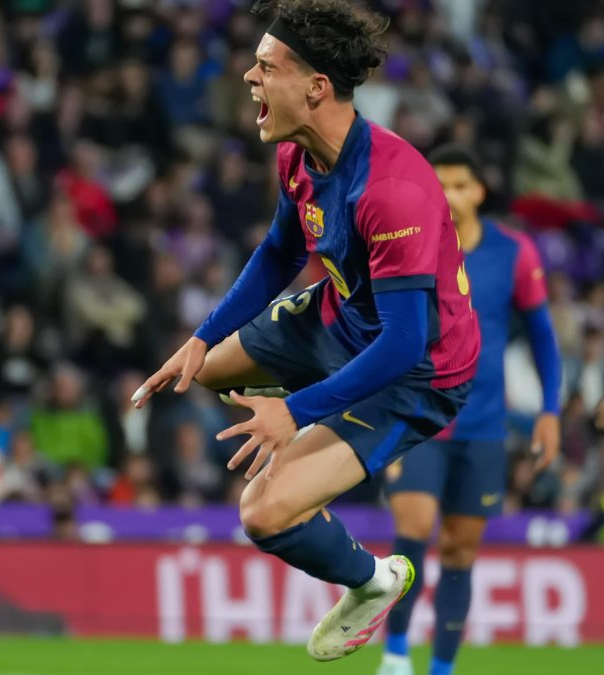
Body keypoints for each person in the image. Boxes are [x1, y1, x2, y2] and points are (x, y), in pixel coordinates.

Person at [132, 0, 479, 661]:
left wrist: (294, 411)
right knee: (201, 372)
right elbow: (279, 255)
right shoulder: (297, 157)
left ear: (316, 86)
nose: (248, 78)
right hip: (340, 320)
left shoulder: (392, 190)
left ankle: (374, 581)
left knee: (261, 514)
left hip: (419, 371)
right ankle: (317, 425)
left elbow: (405, 342)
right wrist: (203, 337)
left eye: (266, 67)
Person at [377, 147, 562, 675]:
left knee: (460, 550)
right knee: (414, 525)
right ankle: (394, 657)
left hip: (483, 426)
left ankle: (442, 668)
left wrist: (549, 411)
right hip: (419, 418)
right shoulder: (408, 247)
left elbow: (544, 338)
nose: (451, 195)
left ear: (479, 191)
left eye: (460, 185)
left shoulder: (514, 252)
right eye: (441, 185)